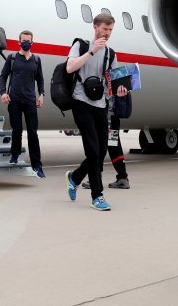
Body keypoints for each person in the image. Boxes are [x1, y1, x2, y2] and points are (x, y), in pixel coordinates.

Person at [64, 13, 128, 211]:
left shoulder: (111, 53)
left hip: (100, 103)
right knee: (92, 149)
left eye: (110, 30)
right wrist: (92, 52)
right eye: (105, 29)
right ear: (95, 27)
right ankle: (97, 196)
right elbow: (69, 67)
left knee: (100, 152)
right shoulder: (81, 45)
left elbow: (116, 79)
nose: (107, 34)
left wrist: (121, 88)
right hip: (80, 101)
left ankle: (74, 177)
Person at [0, 30, 46, 178]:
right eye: (23, 40)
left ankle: (37, 165)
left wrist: (41, 95)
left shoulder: (36, 60)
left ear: (32, 42)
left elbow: (41, 79)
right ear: (19, 42)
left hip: (30, 101)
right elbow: (3, 76)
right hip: (14, 100)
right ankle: (15, 155)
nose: (26, 43)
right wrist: (3, 93)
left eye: (28, 41)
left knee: (33, 133)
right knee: (16, 130)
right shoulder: (12, 58)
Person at [82, 113, 130, 189]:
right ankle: (122, 178)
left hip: (105, 122)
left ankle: (96, 180)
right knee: (115, 149)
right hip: (113, 120)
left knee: (99, 148)